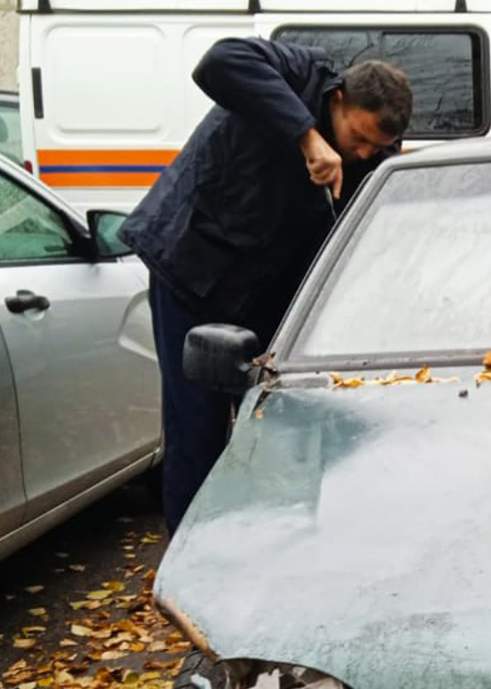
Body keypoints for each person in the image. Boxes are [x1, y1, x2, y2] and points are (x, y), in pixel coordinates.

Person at [121, 37, 412, 533]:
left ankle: (271, 549)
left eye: (375, 147)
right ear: (338, 99)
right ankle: (193, 559)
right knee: (198, 427)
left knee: (280, 429)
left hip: (267, 292)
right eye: (357, 137)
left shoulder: (375, 154)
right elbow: (218, 62)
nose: (362, 153)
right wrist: (309, 138)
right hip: (192, 268)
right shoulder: (300, 72)